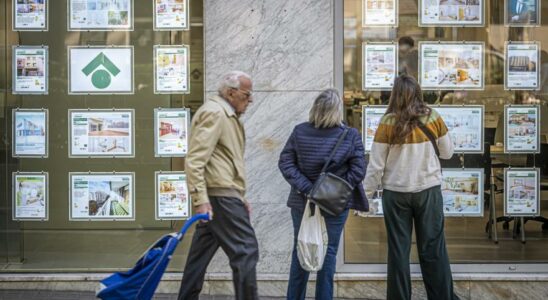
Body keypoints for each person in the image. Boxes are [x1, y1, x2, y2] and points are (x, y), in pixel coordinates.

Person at [364, 75, 459, 300]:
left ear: (395, 94)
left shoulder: (387, 122)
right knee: (433, 249)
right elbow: (447, 152)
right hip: (428, 191)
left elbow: (376, 166)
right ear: (417, 91)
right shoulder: (433, 116)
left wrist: (364, 195)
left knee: (398, 251)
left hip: (396, 194)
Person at [278, 88, 369, 300]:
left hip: (302, 203)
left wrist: (308, 189)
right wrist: (332, 192)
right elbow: (359, 170)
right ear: (337, 111)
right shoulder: (350, 135)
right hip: (335, 206)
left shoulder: (299, 131)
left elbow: (285, 162)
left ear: (315, 109)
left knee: (300, 251)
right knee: (328, 256)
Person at [178, 71, 259, 300]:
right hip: (219, 196)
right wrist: (200, 199)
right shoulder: (215, 113)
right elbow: (195, 159)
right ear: (231, 93)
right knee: (246, 250)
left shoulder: (226, 114)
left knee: (199, 255)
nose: (250, 99)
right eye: (246, 94)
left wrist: (240, 196)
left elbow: (224, 160)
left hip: (222, 194)